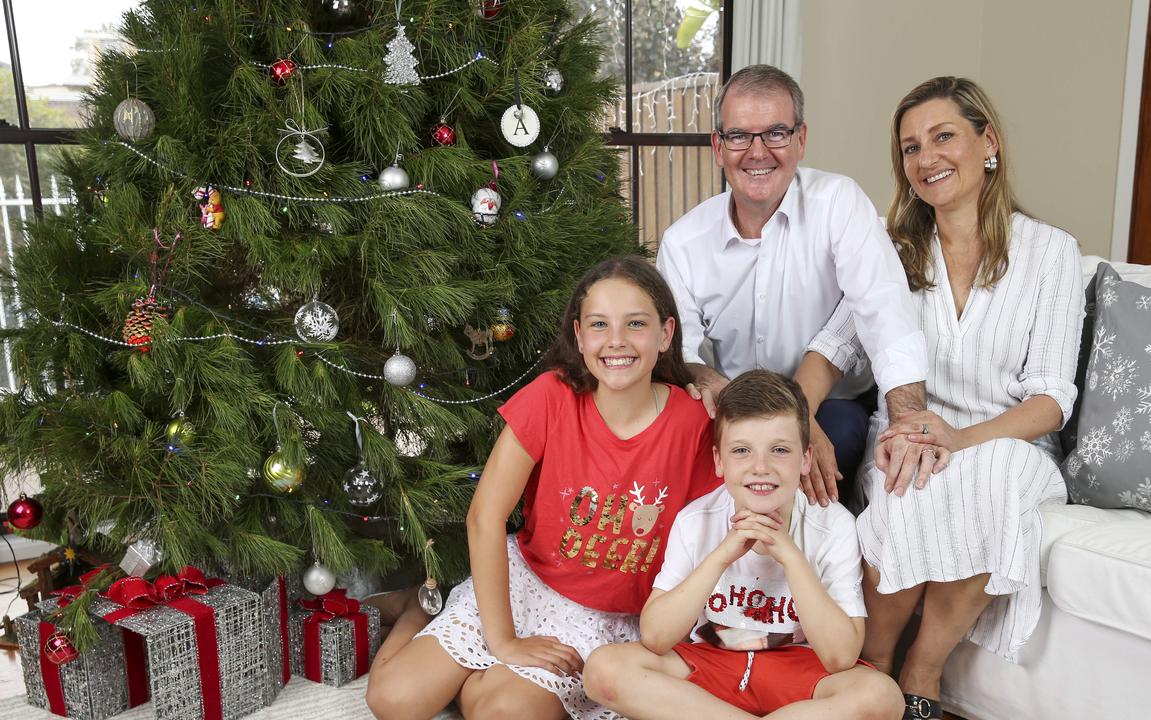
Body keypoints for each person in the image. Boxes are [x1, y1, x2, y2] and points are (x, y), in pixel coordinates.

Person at [365, 256, 721, 720]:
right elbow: (485, 516)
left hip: (608, 618)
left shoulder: (693, 421)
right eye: (599, 324)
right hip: (530, 583)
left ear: (666, 334)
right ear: (578, 334)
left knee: (499, 712)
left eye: (636, 324)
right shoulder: (551, 396)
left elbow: (730, 500)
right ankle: (419, 608)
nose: (616, 341)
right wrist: (505, 640)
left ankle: (486, 683)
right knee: (393, 701)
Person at [853, 77, 1084, 720]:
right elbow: (836, 346)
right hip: (910, 437)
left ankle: (922, 675)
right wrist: (799, 414)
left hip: (1008, 443)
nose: (926, 158)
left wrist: (957, 439)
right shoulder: (891, 250)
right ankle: (870, 668)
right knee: (908, 469)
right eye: (909, 147)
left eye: (943, 136)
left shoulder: (1050, 253)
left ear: (990, 144)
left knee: (994, 475)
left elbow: (1052, 398)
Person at [657, 64, 932, 510]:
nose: (757, 151)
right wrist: (772, 414)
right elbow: (678, 354)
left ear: (801, 140)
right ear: (718, 147)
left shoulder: (839, 202)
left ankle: (814, 571)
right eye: (739, 136)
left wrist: (909, 422)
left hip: (833, 406)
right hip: (739, 405)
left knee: (833, 441)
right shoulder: (684, 242)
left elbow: (885, 312)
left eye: (776, 133)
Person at [582, 370, 904, 720]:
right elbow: (656, 636)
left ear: (806, 459)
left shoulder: (833, 525)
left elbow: (840, 657)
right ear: (719, 461)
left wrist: (792, 559)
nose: (760, 467)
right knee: (604, 668)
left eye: (780, 450)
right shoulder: (696, 519)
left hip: (798, 669)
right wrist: (721, 555)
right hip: (712, 666)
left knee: (881, 696)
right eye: (741, 451)